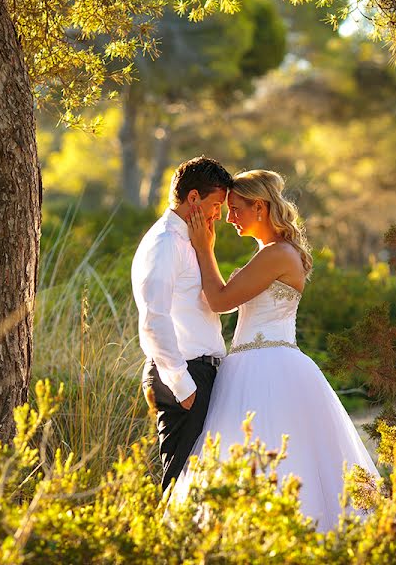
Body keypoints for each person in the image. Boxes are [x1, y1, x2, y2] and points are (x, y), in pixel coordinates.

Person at [174, 169, 378, 531]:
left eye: (236, 208)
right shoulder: (270, 253)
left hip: (267, 366)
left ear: (260, 207)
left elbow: (220, 300)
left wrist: (205, 248)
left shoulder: (278, 254)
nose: (228, 217)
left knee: (277, 454)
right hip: (250, 362)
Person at [131, 155, 234, 492]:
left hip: (198, 371)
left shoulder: (190, 241)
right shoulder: (164, 244)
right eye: (216, 204)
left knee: (198, 484)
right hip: (183, 374)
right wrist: (182, 384)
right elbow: (153, 318)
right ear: (193, 198)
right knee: (179, 484)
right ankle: (164, 544)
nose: (219, 214)